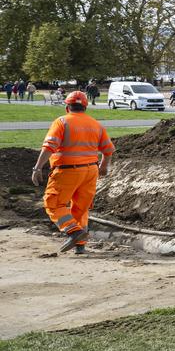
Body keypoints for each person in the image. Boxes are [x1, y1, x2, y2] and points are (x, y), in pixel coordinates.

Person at [32, 91, 115, 254]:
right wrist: (104, 166)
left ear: (67, 107)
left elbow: (49, 147)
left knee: (54, 204)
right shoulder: (95, 124)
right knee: (81, 207)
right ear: (85, 106)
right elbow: (108, 149)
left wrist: (37, 167)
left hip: (67, 170)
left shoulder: (62, 121)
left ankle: (75, 232)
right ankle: (80, 244)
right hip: (91, 171)